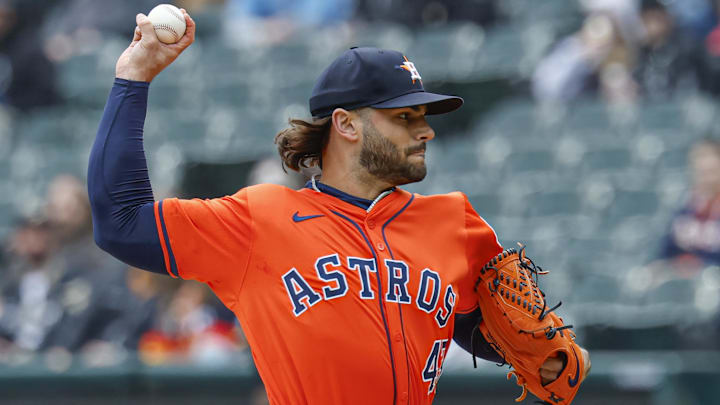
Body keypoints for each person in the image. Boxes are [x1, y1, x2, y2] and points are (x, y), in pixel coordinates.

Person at [87, 10, 590, 404]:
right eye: (405, 117)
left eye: (424, 116)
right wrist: (133, 79)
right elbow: (121, 222)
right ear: (346, 125)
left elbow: (471, 329)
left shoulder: (454, 222)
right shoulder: (258, 220)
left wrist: (532, 355)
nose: (426, 129)